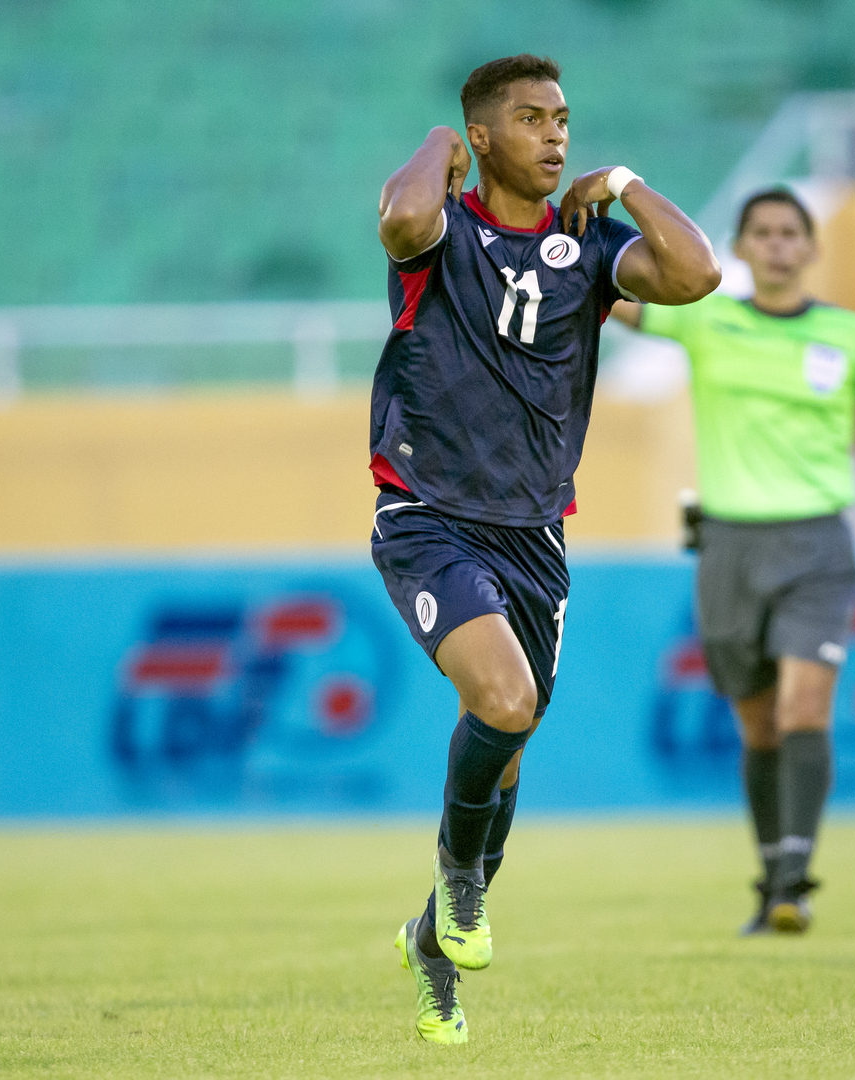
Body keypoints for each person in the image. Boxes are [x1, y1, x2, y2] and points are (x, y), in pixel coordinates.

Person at [371, 54, 720, 1043]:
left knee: (509, 750)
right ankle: (458, 890)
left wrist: (624, 185)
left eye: (562, 119)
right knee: (505, 701)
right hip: (427, 515)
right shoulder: (442, 229)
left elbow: (697, 275)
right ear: (483, 137)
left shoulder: (589, 245)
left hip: (535, 537)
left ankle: (434, 940)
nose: (556, 135)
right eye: (530, 119)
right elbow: (400, 221)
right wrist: (441, 141)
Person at [611, 187, 855, 936]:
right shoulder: (707, 318)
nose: (776, 245)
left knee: (803, 709)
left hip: (818, 546)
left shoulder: (851, 335)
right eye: (761, 233)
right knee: (759, 725)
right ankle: (773, 877)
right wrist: (560, 232)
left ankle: (796, 874)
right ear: (741, 246)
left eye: (790, 233)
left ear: (810, 247)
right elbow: (606, 296)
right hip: (728, 545)